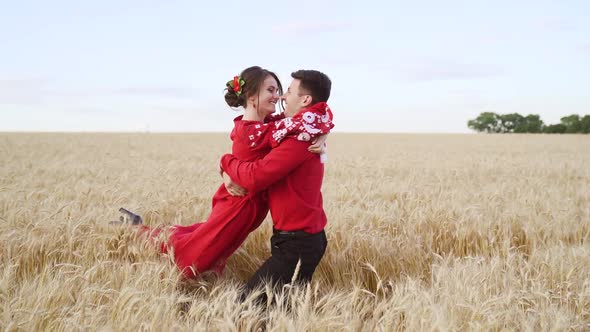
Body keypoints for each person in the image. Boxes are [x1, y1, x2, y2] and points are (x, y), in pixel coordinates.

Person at [120, 66, 334, 279]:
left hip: (251, 205)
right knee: (193, 260)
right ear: (251, 96)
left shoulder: (273, 126)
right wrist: (225, 161)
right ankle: (137, 233)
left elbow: (311, 119)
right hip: (239, 205)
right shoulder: (252, 131)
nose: (279, 96)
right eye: (271, 90)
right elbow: (257, 170)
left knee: (198, 240)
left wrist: (323, 132)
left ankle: (140, 229)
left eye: (282, 90)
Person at [219, 69, 332, 298]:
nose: (282, 97)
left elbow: (255, 177)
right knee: (281, 310)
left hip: (298, 244)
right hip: (298, 239)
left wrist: (225, 161)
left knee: (246, 306)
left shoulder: (300, 139)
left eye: (288, 91)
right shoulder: (302, 128)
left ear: (305, 100)